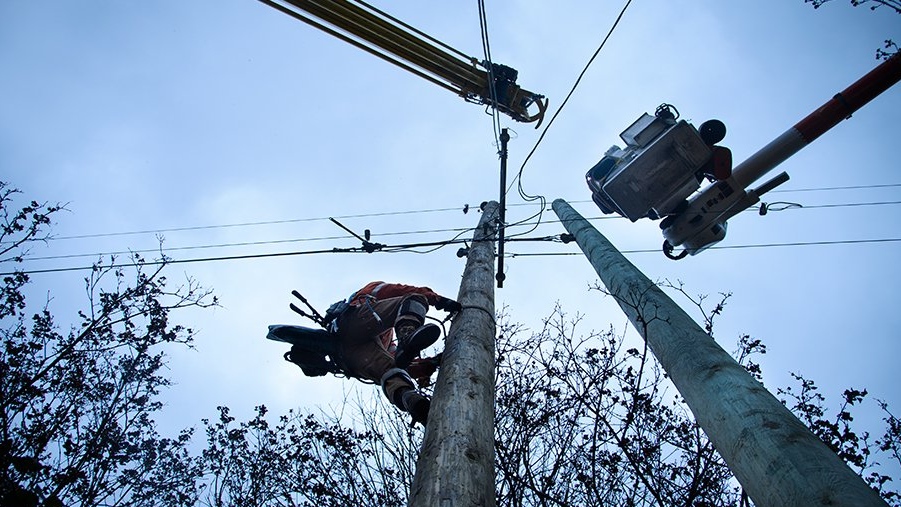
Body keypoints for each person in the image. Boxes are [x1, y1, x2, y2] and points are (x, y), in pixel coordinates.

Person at [327, 281, 461, 427]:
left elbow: (399, 360)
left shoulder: (387, 337)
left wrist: (430, 364)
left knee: (392, 371)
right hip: (352, 322)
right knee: (415, 300)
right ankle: (407, 334)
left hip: (348, 355)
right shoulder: (369, 293)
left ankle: (412, 401)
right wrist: (437, 299)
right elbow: (396, 290)